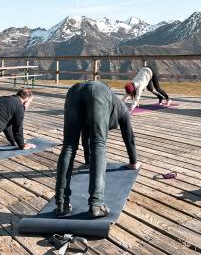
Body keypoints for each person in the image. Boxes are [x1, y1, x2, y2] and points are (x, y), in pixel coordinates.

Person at [55, 81, 140, 219]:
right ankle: (96, 204)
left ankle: (61, 204)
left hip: (73, 92)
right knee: (99, 143)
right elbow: (129, 137)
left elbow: (85, 134)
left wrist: (88, 162)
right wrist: (133, 162)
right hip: (99, 91)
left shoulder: (113, 105)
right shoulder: (123, 109)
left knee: (69, 146)